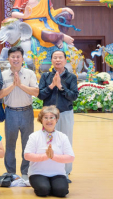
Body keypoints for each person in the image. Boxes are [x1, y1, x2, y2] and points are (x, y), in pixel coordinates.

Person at [0, 46, 39, 180]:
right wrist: (13, 85)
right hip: (10, 112)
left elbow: (36, 92)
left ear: (22, 58)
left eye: (18, 57)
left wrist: (20, 85)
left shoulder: (29, 73)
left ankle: (26, 172)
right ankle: (10, 173)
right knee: (10, 144)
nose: (15, 59)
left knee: (27, 143)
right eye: (13, 57)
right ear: (8, 59)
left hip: (27, 112)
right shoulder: (3, 74)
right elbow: (0, 94)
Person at [38, 50, 78, 180]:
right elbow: (41, 95)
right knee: (48, 141)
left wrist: (61, 87)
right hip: (49, 116)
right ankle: (48, 170)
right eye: (55, 57)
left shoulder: (71, 77)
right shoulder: (45, 77)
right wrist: (51, 86)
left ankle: (65, 173)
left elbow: (74, 96)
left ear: (65, 60)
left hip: (65, 113)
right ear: (52, 61)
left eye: (60, 57)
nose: (58, 60)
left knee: (65, 142)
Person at [24, 106, 75, 197]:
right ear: (41, 120)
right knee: (43, 190)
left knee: (61, 192)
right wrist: (46, 156)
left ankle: (52, 186)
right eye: (46, 117)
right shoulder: (34, 136)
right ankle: (46, 186)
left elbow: (70, 157)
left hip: (57, 173)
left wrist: (52, 156)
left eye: (52, 117)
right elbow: (27, 155)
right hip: (37, 173)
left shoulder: (62, 136)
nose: (49, 120)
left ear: (56, 119)